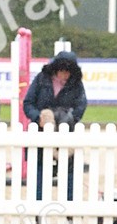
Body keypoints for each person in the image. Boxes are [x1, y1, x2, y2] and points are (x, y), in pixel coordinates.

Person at [23, 49, 87, 200]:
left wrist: (69, 119)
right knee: (39, 173)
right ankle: (37, 208)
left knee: (68, 174)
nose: (64, 74)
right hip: (40, 134)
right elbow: (28, 103)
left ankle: (69, 210)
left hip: (66, 136)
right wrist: (38, 118)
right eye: (62, 70)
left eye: (68, 71)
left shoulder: (77, 85)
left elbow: (81, 106)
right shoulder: (41, 79)